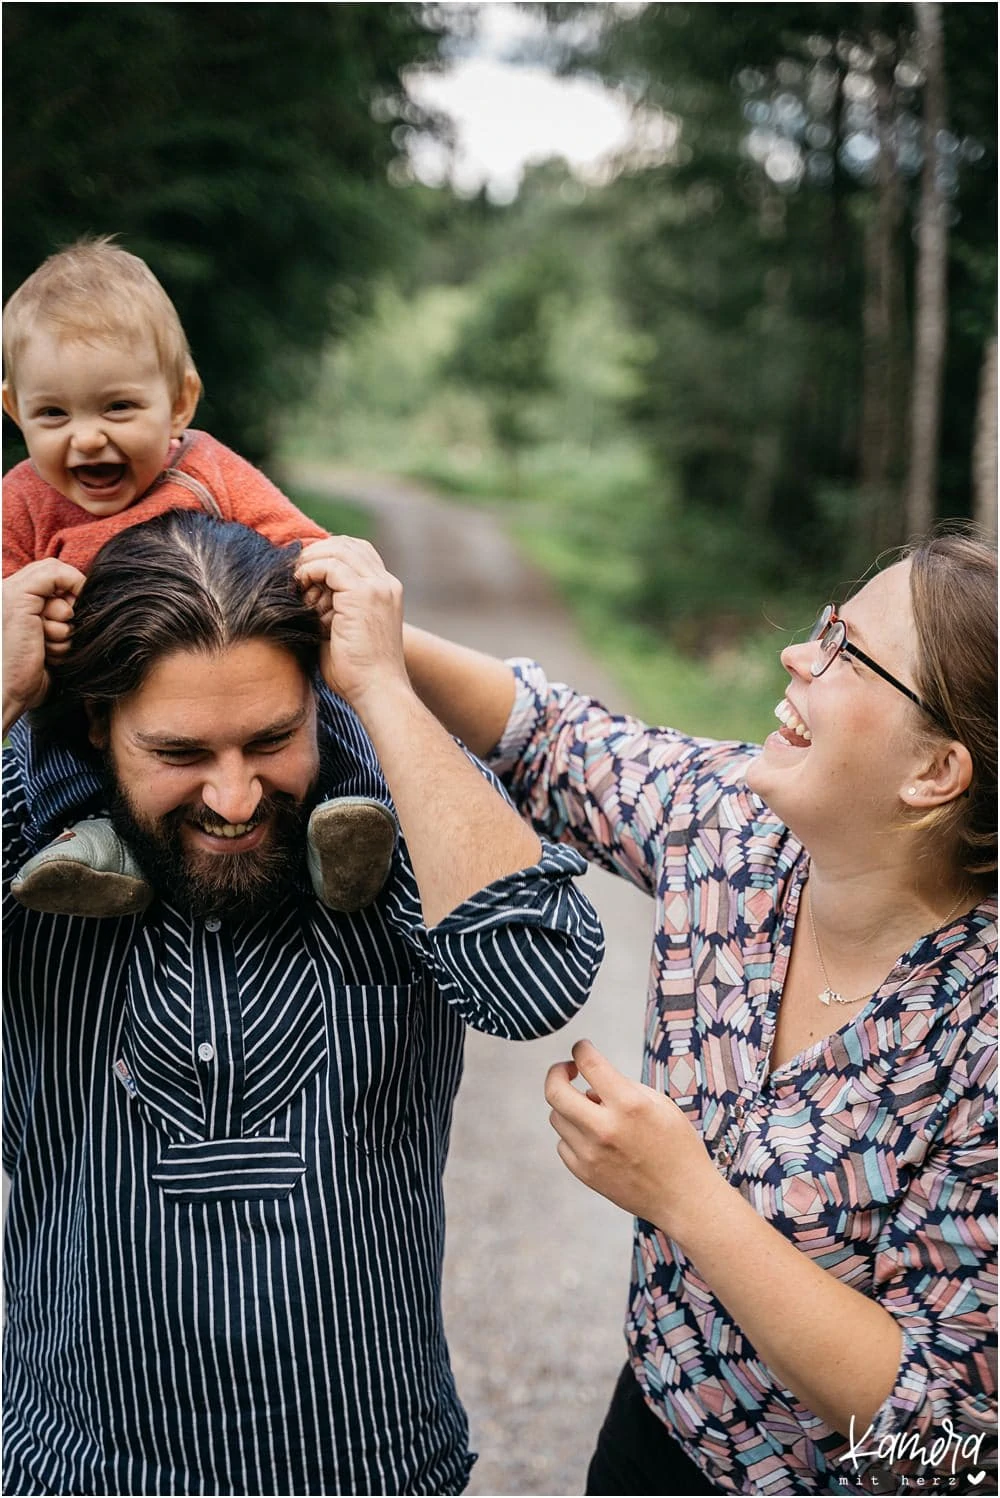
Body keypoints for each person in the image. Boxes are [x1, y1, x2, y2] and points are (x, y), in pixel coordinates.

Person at [1, 509, 606, 1497]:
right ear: (98, 728)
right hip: (71, 1469)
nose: (236, 798)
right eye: (181, 753)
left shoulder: (388, 825)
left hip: (365, 1468)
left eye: (272, 738)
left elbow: (531, 978)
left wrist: (382, 690)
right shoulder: (33, 833)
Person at [401, 530, 997, 1495]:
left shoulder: (982, 1035)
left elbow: (946, 1443)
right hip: (648, 1437)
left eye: (848, 651)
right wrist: (376, 639)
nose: (797, 655)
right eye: (824, 628)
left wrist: (684, 1197)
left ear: (934, 772)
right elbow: (546, 737)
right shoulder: (736, 831)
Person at [3, 235, 395, 917]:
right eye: (54, 414)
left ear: (180, 402)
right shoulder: (24, 501)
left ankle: (344, 828)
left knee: (315, 703)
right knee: (42, 741)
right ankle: (88, 849)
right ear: (15, 411)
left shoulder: (206, 470)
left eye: (118, 408)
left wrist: (329, 577)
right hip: (83, 694)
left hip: (232, 662)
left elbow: (293, 538)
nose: (87, 437)